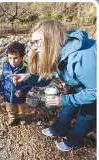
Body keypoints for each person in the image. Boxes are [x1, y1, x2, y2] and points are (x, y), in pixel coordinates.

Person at [11, 19, 96, 151]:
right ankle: (59, 129)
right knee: (68, 107)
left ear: (52, 39)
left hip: (94, 88)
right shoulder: (56, 53)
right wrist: (27, 77)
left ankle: (74, 140)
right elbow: (47, 78)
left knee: (85, 115)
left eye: (37, 42)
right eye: (32, 42)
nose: (33, 47)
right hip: (80, 84)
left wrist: (62, 100)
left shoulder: (81, 59)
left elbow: (94, 91)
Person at [0, 41, 34, 126]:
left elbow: (29, 83)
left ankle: (21, 117)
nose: (12, 61)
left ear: (22, 57)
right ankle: (12, 118)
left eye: (15, 58)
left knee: (21, 109)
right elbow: (2, 80)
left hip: (20, 96)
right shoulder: (6, 67)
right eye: (10, 58)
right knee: (10, 108)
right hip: (8, 95)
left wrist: (22, 90)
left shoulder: (25, 69)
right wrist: (1, 92)